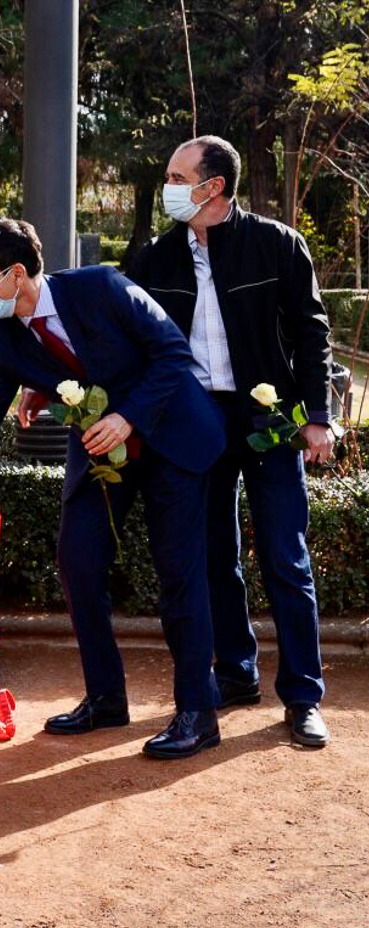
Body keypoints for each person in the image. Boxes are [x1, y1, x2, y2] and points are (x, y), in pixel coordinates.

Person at [0, 218, 227, 760]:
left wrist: (128, 418)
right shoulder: (3, 340)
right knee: (78, 560)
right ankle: (106, 698)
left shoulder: (101, 286)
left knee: (178, 571)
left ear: (16, 275)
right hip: (100, 452)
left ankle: (197, 713)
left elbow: (173, 354)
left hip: (171, 437)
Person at [127, 135, 334, 748]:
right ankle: (235, 672)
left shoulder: (276, 243)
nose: (165, 185)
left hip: (269, 420)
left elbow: (311, 333)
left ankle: (302, 696)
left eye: (175, 175)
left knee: (285, 558)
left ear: (211, 186)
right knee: (215, 555)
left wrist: (316, 415)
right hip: (196, 421)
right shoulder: (154, 257)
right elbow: (118, 334)